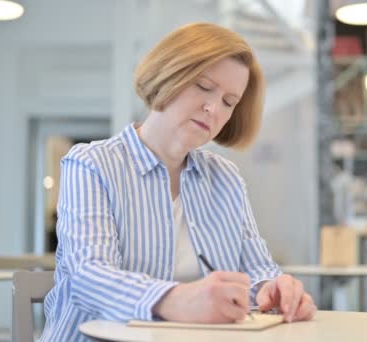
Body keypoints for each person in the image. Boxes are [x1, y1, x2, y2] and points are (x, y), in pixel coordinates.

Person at [40, 22, 316, 341]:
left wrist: (276, 290)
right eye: (203, 85)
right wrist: (177, 299)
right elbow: (89, 277)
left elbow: (257, 273)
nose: (213, 108)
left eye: (229, 102)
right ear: (170, 74)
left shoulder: (225, 178)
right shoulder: (91, 165)